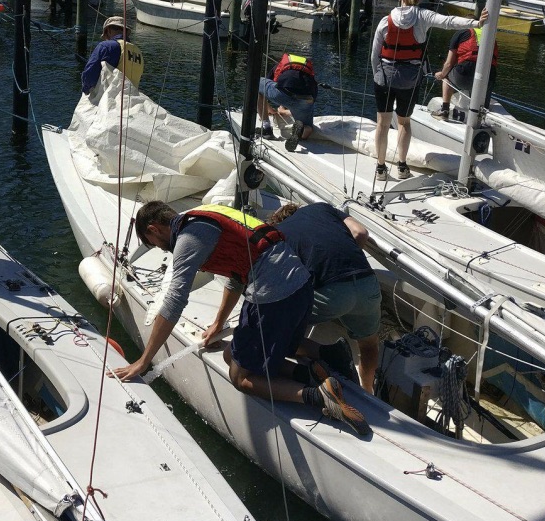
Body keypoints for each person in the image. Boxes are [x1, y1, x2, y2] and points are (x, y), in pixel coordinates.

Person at [112, 201, 371, 436]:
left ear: (154, 228)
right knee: (231, 354)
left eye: (152, 242)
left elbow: (174, 302)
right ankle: (319, 364)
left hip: (274, 296)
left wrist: (144, 361)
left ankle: (318, 396)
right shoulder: (204, 215)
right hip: (301, 285)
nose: (158, 248)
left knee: (241, 378)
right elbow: (237, 274)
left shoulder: (188, 238)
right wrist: (217, 323)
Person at [370, 0, 487, 181]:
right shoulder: (423, 17)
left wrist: (377, 75)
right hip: (410, 78)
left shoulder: (385, 21)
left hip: (384, 77)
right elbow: (449, 22)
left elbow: (374, 54)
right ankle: (402, 166)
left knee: (382, 123)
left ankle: (380, 169)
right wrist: (476, 23)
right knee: (404, 123)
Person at [268, 202, 381, 393]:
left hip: (331, 292)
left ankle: (327, 356)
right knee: (369, 345)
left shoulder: (279, 234)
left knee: (278, 332)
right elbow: (360, 233)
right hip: (366, 283)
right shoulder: (322, 208)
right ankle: (368, 391)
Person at [431, 26, 498, 121]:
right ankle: (481, 118)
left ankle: (444, 110)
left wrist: (442, 74)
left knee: (446, 78)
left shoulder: (461, 33)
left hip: (465, 73)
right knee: (481, 101)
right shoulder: (491, 37)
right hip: (488, 78)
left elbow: (449, 63)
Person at [258, 53, 318, 152]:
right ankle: (302, 130)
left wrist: (270, 110)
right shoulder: (308, 71)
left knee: (257, 83)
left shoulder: (279, 66)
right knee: (309, 127)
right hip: (306, 99)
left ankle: (266, 128)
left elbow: (265, 92)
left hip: (284, 94)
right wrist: (286, 112)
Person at [80, 15, 144, 94]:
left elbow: (89, 75)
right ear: (126, 32)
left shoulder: (106, 46)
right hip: (131, 99)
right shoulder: (138, 52)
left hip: (111, 100)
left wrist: (85, 90)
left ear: (108, 30)